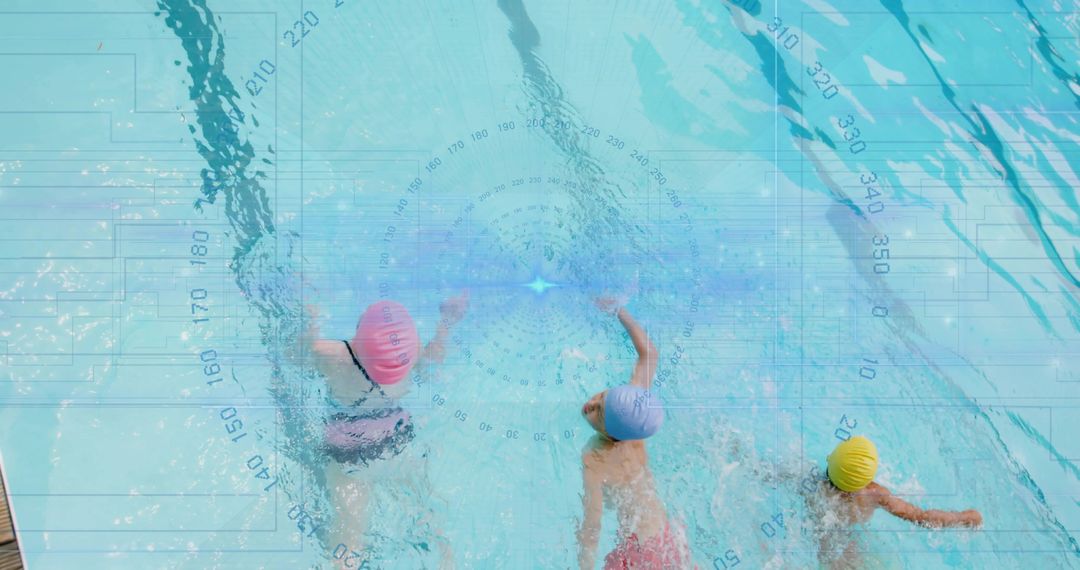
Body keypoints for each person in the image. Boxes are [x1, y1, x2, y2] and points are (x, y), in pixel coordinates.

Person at [305, 291, 469, 569]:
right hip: (397, 445)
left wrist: (310, 317)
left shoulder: (335, 356)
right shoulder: (410, 358)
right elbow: (434, 362)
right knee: (430, 518)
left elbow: (296, 351)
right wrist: (447, 321)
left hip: (350, 459)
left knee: (349, 541)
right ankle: (447, 562)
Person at [577, 297, 693, 570]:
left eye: (599, 413)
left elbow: (592, 526)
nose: (590, 405)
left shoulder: (594, 458)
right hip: (667, 541)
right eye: (602, 397)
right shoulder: (636, 420)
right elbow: (650, 354)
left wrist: (584, 565)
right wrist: (619, 310)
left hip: (638, 553)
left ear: (614, 436)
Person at [811, 435, 982, 568]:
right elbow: (922, 517)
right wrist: (962, 517)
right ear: (865, 480)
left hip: (826, 553)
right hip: (850, 551)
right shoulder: (873, 493)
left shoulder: (815, 484)